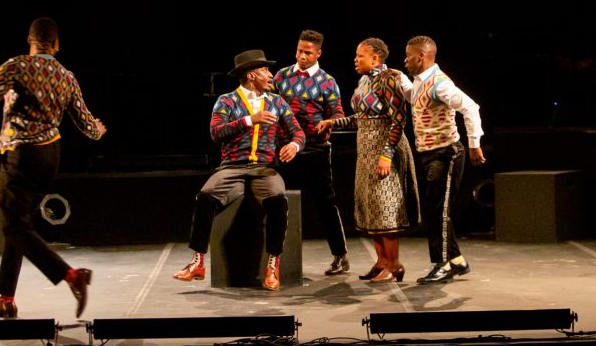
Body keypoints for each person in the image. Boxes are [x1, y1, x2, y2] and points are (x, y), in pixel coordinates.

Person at [0, 17, 106, 318]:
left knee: (14, 226)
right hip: (50, 157)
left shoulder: (17, 66)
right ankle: (6, 298)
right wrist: (99, 130)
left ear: (30, 41)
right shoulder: (66, 76)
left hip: (21, 154)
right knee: (20, 227)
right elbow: (86, 124)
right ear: (56, 45)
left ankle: (71, 276)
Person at [173, 49, 304, 291]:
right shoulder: (227, 101)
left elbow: (297, 132)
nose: (270, 74)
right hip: (232, 168)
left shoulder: (277, 102)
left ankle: (273, 265)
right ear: (251, 74)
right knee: (205, 196)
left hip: (265, 169)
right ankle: (197, 261)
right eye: (265, 70)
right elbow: (216, 132)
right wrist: (248, 120)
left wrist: (294, 145)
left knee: (278, 199)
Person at [317, 38, 419, 283]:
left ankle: (394, 264)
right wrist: (334, 122)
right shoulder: (365, 80)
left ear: (376, 58)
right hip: (366, 150)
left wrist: (386, 155)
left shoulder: (389, 79)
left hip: (386, 150)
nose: (355, 59)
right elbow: (361, 118)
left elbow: (399, 120)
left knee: (386, 208)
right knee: (372, 207)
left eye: (360, 55)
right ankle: (381, 261)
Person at [391, 35, 485, 284]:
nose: (405, 59)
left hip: (446, 153)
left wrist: (474, 144)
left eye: (408, 55)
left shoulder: (440, 83)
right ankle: (456, 261)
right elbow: (416, 97)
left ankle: (442, 264)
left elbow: (470, 107)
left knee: (438, 211)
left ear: (420, 56)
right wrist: (396, 76)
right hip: (430, 153)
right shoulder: (421, 82)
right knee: (437, 210)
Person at [272, 30, 351, 276]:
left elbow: (338, 114)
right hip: (286, 149)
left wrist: (330, 123)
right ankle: (278, 259)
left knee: (325, 204)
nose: (302, 56)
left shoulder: (328, 81)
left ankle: (340, 255)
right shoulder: (282, 76)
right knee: (281, 203)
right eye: (299, 51)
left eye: (308, 52)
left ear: (318, 53)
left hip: (316, 149)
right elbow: (271, 105)